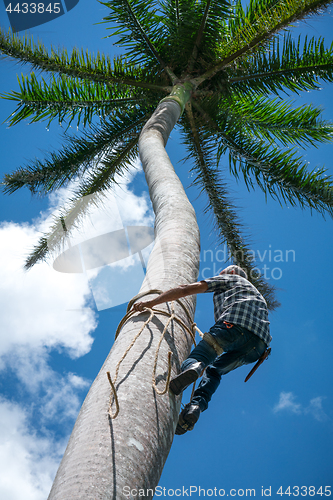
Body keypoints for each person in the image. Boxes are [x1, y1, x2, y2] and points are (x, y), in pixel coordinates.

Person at [132, 265, 272, 434]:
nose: (219, 274)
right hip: (258, 348)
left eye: (222, 272)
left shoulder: (231, 279)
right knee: (214, 371)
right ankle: (195, 407)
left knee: (200, 358)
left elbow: (185, 290)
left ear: (232, 272)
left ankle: (194, 367)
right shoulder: (257, 296)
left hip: (233, 326)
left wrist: (151, 302)